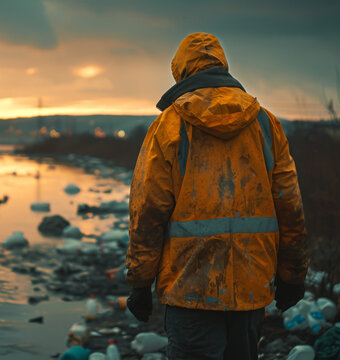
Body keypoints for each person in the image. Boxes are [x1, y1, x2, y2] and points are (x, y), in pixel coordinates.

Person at [125, 32, 308, 360]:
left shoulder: (169, 126)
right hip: (252, 287)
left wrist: (140, 282)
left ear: (181, 72)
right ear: (222, 66)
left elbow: (147, 211)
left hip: (189, 287)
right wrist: (293, 275)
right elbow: (290, 205)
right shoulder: (266, 124)